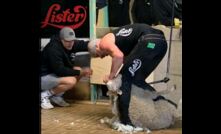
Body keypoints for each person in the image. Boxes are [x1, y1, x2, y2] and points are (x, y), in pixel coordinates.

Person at [88, 23, 168, 126]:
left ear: (97, 47)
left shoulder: (104, 42)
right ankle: (164, 104)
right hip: (160, 44)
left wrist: (112, 76)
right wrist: (116, 75)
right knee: (137, 80)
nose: (102, 57)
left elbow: (118, 56)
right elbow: (126, 61)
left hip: (148, 42)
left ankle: (125, 122)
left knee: (124, 80)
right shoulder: (119, 41)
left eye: (98, 55)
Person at [41, 27, 93, 109]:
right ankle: (43, 95)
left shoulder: (72, 43)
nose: (70, 44)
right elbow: (60, 71)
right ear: (61, 39)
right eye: (67, 41)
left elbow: (85, 44)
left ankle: (56, 96)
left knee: (78, 70)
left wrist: (99, 45)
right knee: (71, 80)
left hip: (53, 75)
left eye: (72, 41)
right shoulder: (53, 48)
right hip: (43, 78)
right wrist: (81, 72)